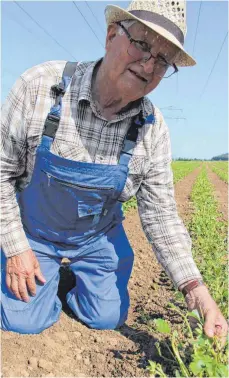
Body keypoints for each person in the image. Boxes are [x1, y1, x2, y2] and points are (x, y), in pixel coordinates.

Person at [1, 0, 228, 340]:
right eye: (141, 44)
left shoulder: (151, 129)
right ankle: (37, 266)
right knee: (22, 320)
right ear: (111, 36)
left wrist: (197, 292)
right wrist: (17, 248)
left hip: (95, 237)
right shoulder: (40, 87)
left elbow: (161, 216)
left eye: (163, 59)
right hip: (35, 232)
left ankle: (76, 278)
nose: (149, 64)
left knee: (107, 316)